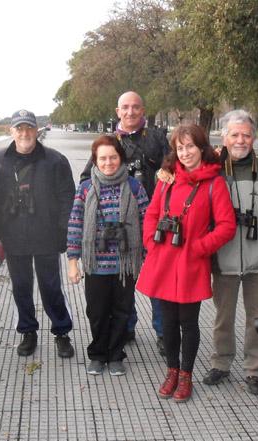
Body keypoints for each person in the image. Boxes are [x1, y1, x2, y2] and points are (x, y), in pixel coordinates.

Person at [137, 123, 236, 402]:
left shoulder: (214, 183)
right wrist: (150, 242)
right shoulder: (167, 178)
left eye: (190, 146)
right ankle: (172, 370)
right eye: (180, 148)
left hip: (191, 261)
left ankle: (186, 374)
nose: (185, 153)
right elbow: (152, 213)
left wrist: (199, 248)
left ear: (202, 148)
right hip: (164, 259)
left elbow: (227, 226)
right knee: (168, 321)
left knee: (188, 322)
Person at [80, 91, 170, 354]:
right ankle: (126, 327)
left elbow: (175, 168)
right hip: (118, 225)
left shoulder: (156, 138)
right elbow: (87, 178)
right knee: (123, 277)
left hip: (154, 220)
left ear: (143, 110)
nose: (130, 112)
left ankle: (163, 332)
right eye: (125, 107)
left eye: (135, 107)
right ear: (117, 111)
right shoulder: (109, 142)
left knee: (157, 278)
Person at [202, 109, 258, 396]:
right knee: (223, 316)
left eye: (246, 135)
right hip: (224, 257)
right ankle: (221, 363)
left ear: (254, 137)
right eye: (234, 134)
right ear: (224, 137)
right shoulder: (213, 170)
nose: (240, 140)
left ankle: (254, 370)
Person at [0, 109, 75, 359]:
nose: (24, 133)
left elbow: (67, 198)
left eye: (29, 128)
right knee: (21, 287)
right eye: (19, 128)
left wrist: (64, 232)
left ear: (37, 130)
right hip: (13, 236)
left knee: (51, 287)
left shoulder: (55, 160)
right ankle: (28, 331)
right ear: (11, 131)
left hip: (46, 235)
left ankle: (62, 332)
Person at [67, 135, 149, 376]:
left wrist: (146, 257)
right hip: (96, 263)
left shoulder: (135, 186)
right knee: (96, 311)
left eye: (113, 157)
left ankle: (116, 355)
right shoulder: (85, 188)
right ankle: (97, 354)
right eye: (102, 158)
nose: (108, 162)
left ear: (120, 158)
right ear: (95, 160)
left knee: (123, 311)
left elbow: (146, 222)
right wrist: (72, 261)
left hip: (125, 263)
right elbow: (75, 224)